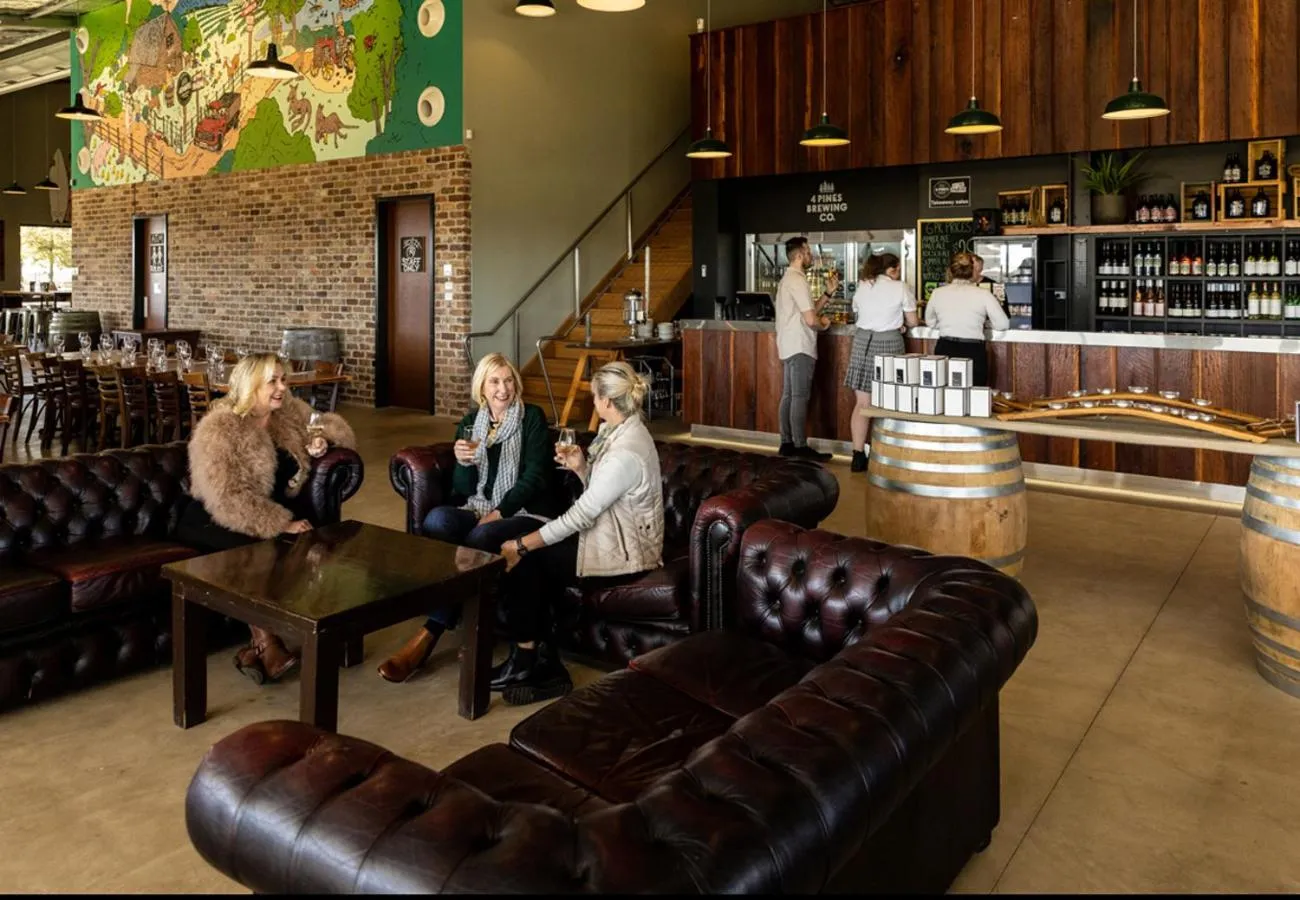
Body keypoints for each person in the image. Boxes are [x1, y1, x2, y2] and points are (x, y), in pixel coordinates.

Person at [378, 352, 560, 683]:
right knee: (437, 521)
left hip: (525, 511)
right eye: (495, 381)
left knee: (481, 537)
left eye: (509, 381)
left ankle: (431, 632)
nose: (503, 389)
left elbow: (535, 477)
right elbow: (463, 490)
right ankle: (458, 616)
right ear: (482, 388)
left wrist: (499, 512)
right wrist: (462, 461)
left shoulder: (531, 417)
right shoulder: (470, 423)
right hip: (479, 506)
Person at [491, 361, 664, 706]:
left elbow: (582, 515)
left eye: (594, 397)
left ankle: (527, 661)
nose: (593, 403)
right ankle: (545, 665)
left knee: (528, 559)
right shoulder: (622, 430)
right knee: (536, 557)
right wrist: (582, 468)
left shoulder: (625, 452)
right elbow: (607, 497)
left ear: (607, 401)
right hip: (612, 537)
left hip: (627, 554)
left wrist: (521, 545)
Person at [180, 352, 357, 684]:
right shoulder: (221, 427)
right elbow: (226, 497)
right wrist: (280, 524)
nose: (282, 387)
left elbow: (333, 426)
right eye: (272, 381)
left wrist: (322, 439)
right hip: (212, 517)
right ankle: (267, 643)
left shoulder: (287, 413)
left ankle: (254, 652)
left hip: (260, 511)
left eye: (283, 379)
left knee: (308, 546)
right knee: (253, 550)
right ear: (250, 385)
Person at [843, 252, 918, 472]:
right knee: (890, 401)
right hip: (888, 342)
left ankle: (858, 455)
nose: (899, 274)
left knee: (862, 403)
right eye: (898, 270)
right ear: (891, 269)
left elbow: (857, 314)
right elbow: (913, 321)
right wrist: (901, 325)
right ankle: (886, 455)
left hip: (862, 342)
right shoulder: (900, 287)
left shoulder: (863, 286)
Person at [774, 236, 834, 462]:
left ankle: (786, 443)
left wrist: (827, 294)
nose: (811, 256)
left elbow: (807, 311)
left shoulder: (788, 279)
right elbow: (811, 319)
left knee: (789, 395)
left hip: (788, 343)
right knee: (799, 396)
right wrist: (824, 324)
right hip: (800, 345)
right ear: (799, 255)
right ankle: (799, 445)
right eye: (808, 252)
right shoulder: (798, 281)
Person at [924, 251, 1010, 388]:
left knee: (945, 392)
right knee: (974, 392)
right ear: (972, 271)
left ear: (951, 271)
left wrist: (950, 323)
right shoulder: (983, 294)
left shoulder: (937, 293)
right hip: (973, 349)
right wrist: (984, 323)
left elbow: (930, 322)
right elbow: (1003, 324)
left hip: (945, 347)